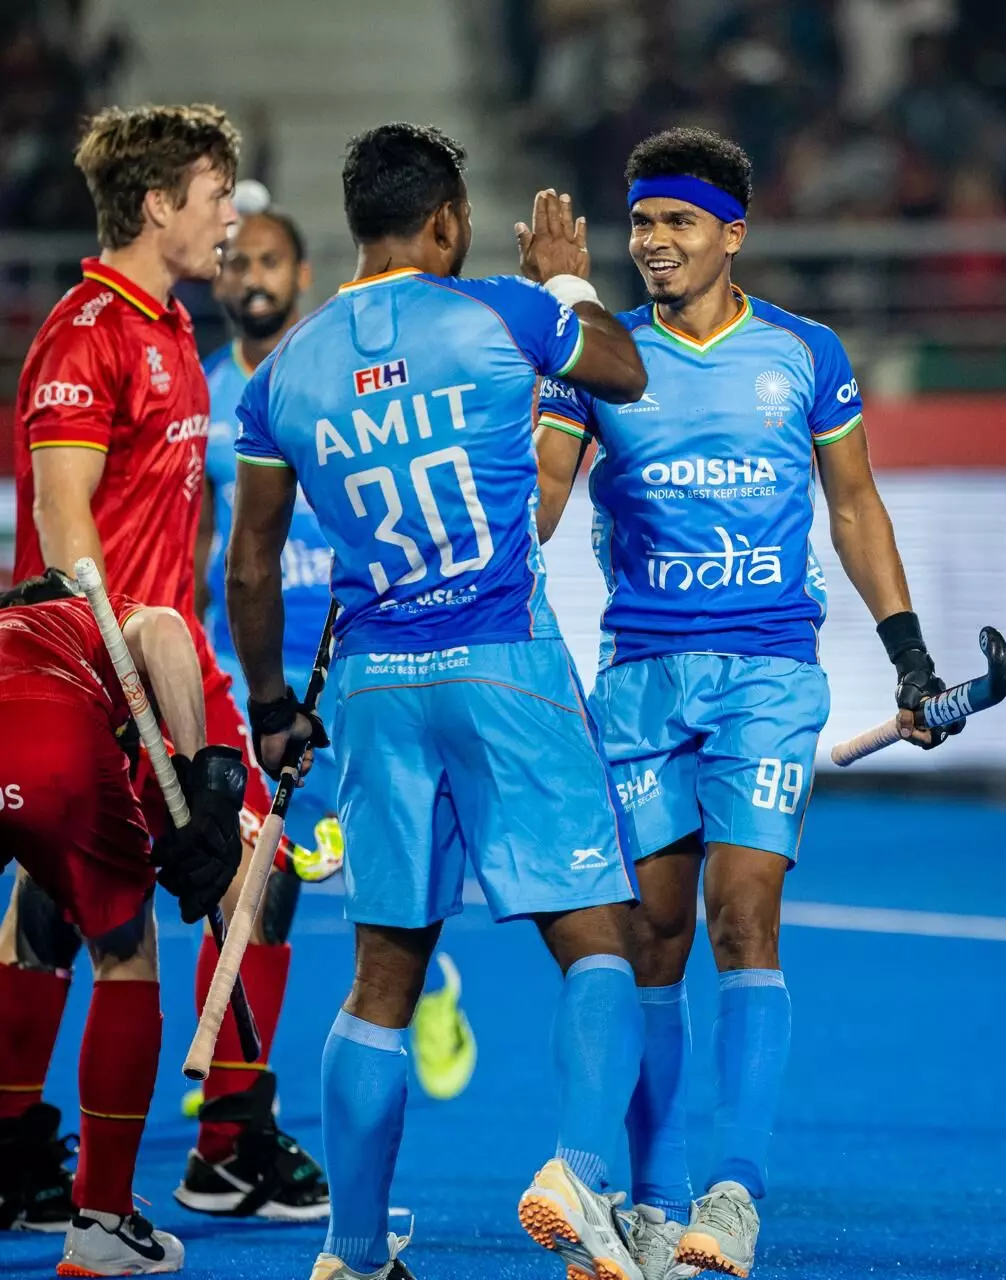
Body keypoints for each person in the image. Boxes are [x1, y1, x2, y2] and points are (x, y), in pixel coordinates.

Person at [536, 126, 963, 1280]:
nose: (654, 242)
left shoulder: (804, 352)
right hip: (637, 679)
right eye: (640, 224)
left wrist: (908, 657)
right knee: (648, 938)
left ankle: (731, 1197)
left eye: (676, 222)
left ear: (732, 232)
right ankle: (647, 1204)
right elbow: (536, 502)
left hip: (768, 675)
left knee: (742, 915)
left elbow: (856, 508)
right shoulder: (600, 354)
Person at [227, 122, 649, 1280]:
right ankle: (576, 1168)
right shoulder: (503, 313)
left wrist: (271, 703)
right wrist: (563, 273)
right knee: (596, 939)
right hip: (500, 659)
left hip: (371, 683)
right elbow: (623, 367)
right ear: (447, 221)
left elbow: (253, 564)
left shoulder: (282, 375)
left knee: (379, 975)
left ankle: (351, 1255)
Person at [5, 103, 328, 1228]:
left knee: (225, 879)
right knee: (105, 903)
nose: (226, 223)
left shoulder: (171, 329)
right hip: (97, 667)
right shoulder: (87, 330)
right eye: (210, 200)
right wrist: (143, 706)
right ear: (156, 205)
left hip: (167, 659)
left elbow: (168, 532)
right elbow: (60, 524)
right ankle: (196, 1145)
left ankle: (203, 1140)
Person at [198, 204, 477, 1104]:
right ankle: (237, 1086)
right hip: (253, 674)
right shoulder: (201, 393)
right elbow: (207, 541)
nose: (252, 278)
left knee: (378, 872)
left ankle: (432, 990)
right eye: (236, 263)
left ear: (303, 271)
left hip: (356, 662)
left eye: (270, 260)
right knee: (261, 874)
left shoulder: (334, 368)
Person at [0, 569, 247, 1275]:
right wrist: (209, 783)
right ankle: (103, 1221)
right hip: (53, 741)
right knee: (125, 953)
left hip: (39, 741)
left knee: (20, 934)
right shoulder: (90, 618)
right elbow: (167, 629)